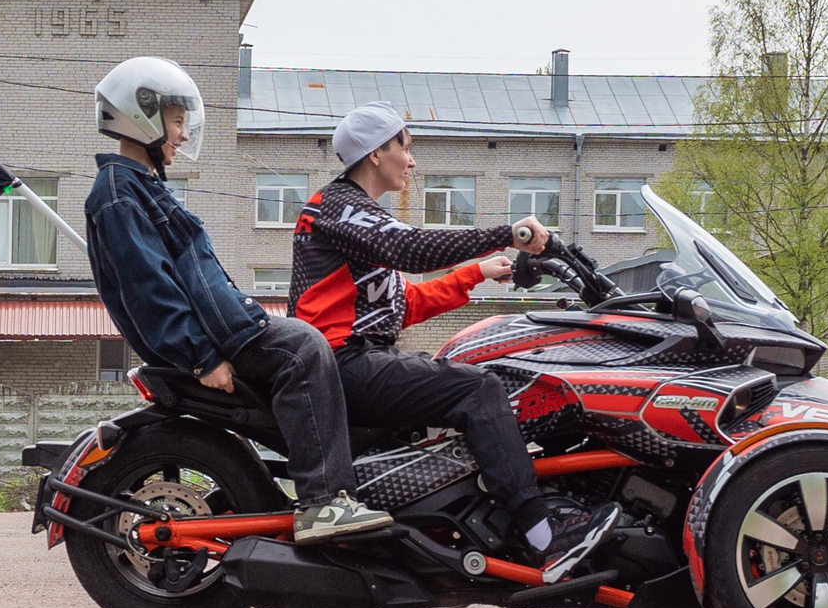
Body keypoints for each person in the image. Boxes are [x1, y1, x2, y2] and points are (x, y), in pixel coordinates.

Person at [288, 102, 617, 577]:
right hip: (339, 364)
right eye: (406, 146)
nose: (412, 160)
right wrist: (510, 233)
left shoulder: (358, 217)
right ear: (377, 153)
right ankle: (542, 535)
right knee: (479, 387)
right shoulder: (341, 208)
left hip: (356, 357)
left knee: (486, 374)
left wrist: (475, 275)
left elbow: (404, 304)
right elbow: (414, 249)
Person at [81, 56, 391, 545]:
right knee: (303, 348)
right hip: (213, 339)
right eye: (177, 120)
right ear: (139, 115)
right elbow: (149, 287)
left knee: (305, 345)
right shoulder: (120, 193)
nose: (183, 134)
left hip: (224, 327)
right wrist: (200, 356)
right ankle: (323, 502)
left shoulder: (138, 187)